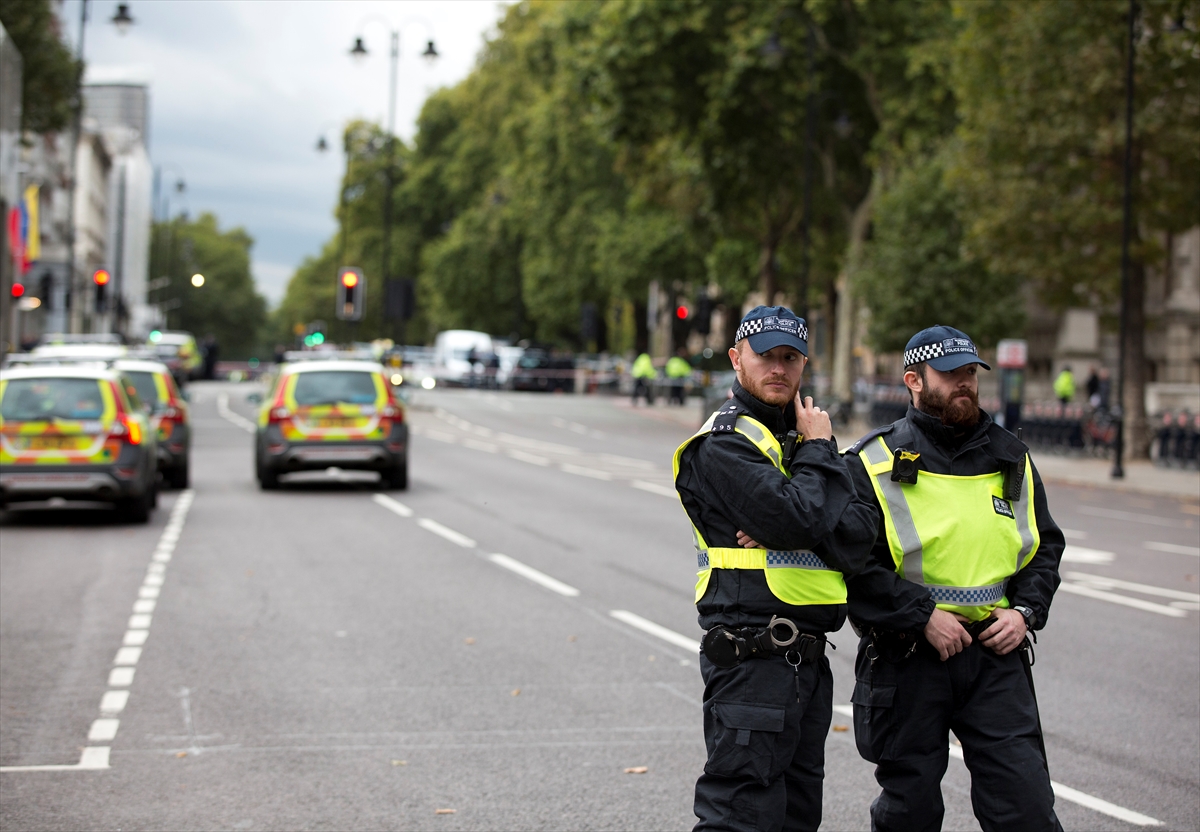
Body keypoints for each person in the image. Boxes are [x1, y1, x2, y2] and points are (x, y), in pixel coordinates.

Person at [842, 325, 1065, 832]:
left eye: (970, 372)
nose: (964, 382)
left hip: (995, 656)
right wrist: (922, 616)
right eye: (949, 373)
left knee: (1027, 807)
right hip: (909, 657)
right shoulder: (872, 462)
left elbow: (1043, 547)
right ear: (913, 381)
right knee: (910, 812)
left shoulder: (1011, 457)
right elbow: (854, 566)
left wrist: (1024, 613)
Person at [673, 305, 879, 832]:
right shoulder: (724, 442)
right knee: (741, 815)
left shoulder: (809, 439)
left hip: (807, 661)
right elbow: (800, 517)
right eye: (766, 356)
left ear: (804, 364)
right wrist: (815, 472)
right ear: (736, 358)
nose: (778, 368)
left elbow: (860, 538)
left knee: (796, 817)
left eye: (790, 357)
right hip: (752, 659)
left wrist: (799, 510)